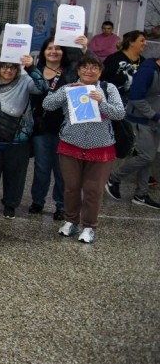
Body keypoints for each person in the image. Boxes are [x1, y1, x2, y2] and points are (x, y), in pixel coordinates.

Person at [43, 53, 126, 243]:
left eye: (94, 67)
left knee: (93, 190)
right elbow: (47, 104)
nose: (89, 71)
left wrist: (102, 102)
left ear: (100, 71)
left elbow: (119, 113)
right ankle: (70, 221)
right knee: (71, 188)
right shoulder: (69, 88)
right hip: (71, 144)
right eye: (85, 67)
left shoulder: (108, 88)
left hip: (100, 147)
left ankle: (89, 226)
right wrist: (65, 92)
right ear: (78, 70)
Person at [0, 55, 46, 218]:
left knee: (15, 174)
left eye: (13, 67)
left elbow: (43, 87)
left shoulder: (25, 81)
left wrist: (31, 67)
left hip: (18, 138)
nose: (8, 70)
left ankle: (10, 204)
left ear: (18, 69)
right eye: (4, 66)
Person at [106, 55, 160, 209]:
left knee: (148, 158)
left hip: (152, 121)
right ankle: (114, 178)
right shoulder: (147, 71)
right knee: (146, 156)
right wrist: (155, 116)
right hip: (141, 121)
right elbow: (136, 98)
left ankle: (141, 194)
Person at [29, 38, 74, 220]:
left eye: (57, 48)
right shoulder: (35, 70)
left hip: (65, 128)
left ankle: (61, 205)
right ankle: (37, 201)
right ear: (43, 52)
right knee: (41, 167)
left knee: (62, 171)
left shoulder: (70, 72)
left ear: (64, 52)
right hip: (41, 127)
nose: (53, 51)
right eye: (49, 48)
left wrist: (85, 47)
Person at [102, 30, 146, 100]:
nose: (145, 43)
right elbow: (102, 79)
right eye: (142, 41)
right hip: (112, 100)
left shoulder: (144, 62)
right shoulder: (114, 59)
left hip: (134, 102)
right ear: (131, 42)